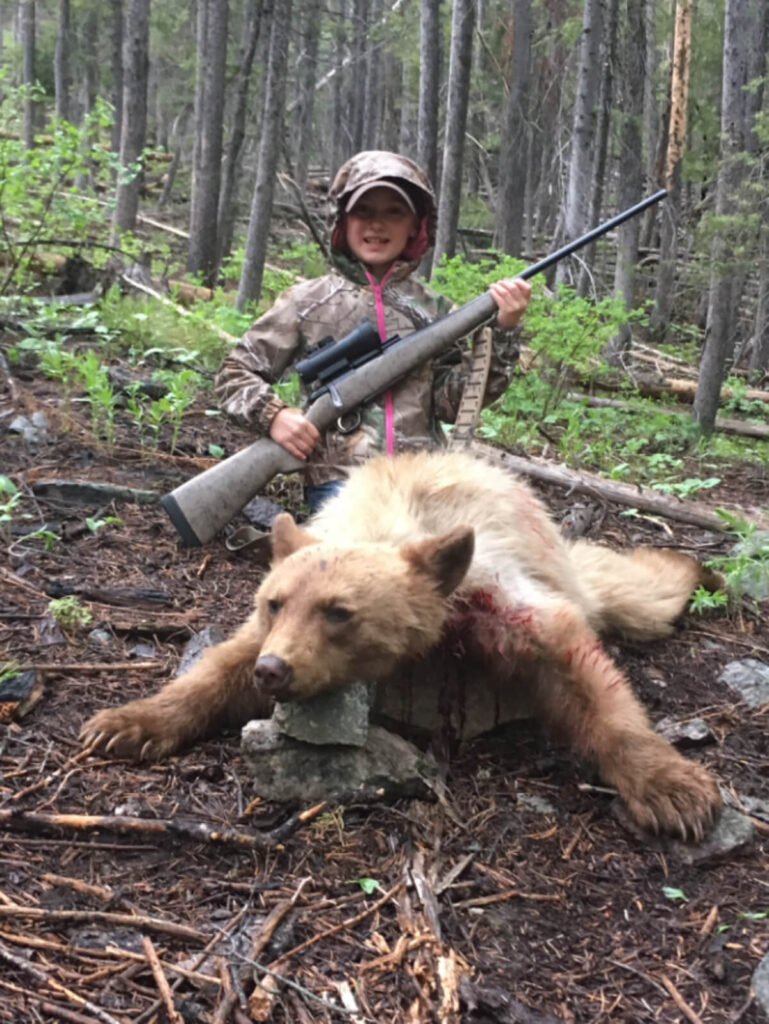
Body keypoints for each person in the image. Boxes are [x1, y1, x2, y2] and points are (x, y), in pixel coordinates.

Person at [215, 151, 531, 513]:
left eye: (393, 212)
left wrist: (503, 330)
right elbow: (233, 374)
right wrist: (275, 415)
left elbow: (452, 403)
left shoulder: (436, 311)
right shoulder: (307, 301)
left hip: (423, 484)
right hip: (340, 486)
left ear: (416, 225)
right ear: (341, 220)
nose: (376, 225)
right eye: (363, 211)